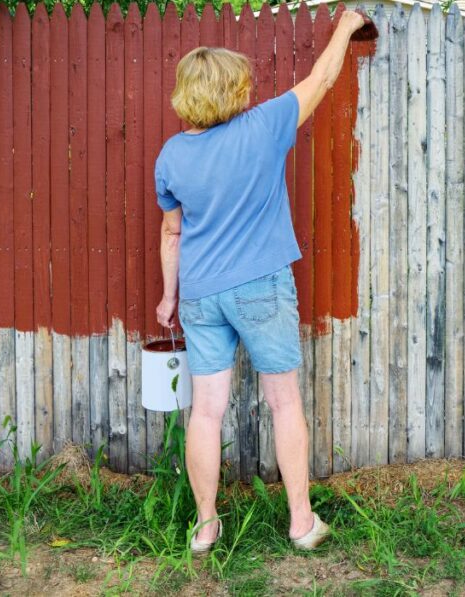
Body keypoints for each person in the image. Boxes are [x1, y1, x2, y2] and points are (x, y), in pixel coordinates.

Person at [153, 10, 367, 554]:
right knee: (284, 402)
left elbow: (171, 233)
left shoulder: (171, 156)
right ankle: (300, 522)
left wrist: (168, 297)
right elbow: (320, 79)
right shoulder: (263, 127)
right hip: (261, 288)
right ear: (232, 91)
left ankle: (205, 527)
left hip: (201, 293)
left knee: (205, 410)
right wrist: (345, 25)